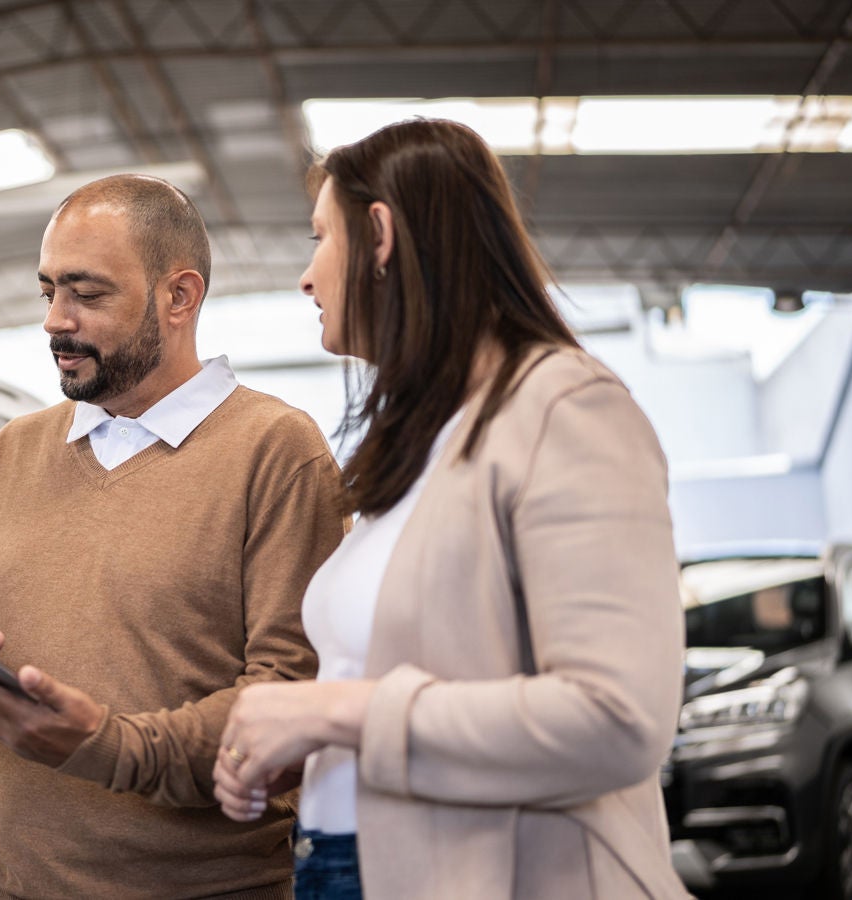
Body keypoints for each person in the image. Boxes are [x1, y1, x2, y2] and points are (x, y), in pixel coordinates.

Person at [212, 119, 689, 899]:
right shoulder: (426, 439)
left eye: (318, 239)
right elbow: (427, 689)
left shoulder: (566, 410)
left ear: (380, 236)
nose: (307, 277)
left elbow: (617, 721)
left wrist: (334, 715)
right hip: (354, 864)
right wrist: (304, 748)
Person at [0, 174, 348, 899]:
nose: (55, 320)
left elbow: (290, 694)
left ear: (179, 297)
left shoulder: (276, 449)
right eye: (48, 292)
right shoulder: (15, 449)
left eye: (87, 294)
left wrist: (102, 747)